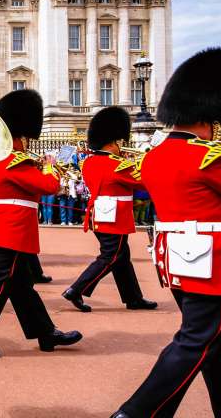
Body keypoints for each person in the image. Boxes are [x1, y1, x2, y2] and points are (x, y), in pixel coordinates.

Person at [113, 48, 221, 418]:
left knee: (215, 344)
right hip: (208, 259)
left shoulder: (155, 155)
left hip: (177, 257)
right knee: (198, 340)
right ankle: (134, 412)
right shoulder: (209, 157)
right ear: (210, 114)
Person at [0, 89, 81, 359]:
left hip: (3, 228)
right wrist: (51, 165)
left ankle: (45, 332)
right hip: (10, 231)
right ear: (20, 134)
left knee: (22, 286)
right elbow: (49, 186)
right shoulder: (15, 162)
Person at [63, 106, 158, 313]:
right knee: (111, 257)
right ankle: (77, 289)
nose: (122, 146)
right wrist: (148, 161)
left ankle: (133, 297)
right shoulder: (117, 165)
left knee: (122, 257)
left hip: (100, 215)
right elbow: (143, 182)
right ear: (112, 141)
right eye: (119, 142)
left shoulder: (90, 162)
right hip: (114, 217)